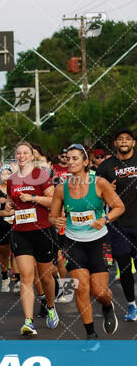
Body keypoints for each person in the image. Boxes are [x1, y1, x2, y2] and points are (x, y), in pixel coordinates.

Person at [50, 144, 125, 341]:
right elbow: (52, 216)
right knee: (81, 288)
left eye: (75, 158)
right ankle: (91, 334)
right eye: (68, 158)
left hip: (98, 242)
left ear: (86, 162)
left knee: (99, 292)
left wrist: (105, 219)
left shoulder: (99, 183)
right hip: (73, 243)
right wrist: (55, 220)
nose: (70, 162)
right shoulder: (61, 188)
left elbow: (119, 207)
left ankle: (108, 306)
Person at [6, 141, 58, 336]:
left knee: (45, 276)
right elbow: (11, 201)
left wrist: (33, 198)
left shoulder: (40, 175)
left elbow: (53, 200)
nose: (21, 156)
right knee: (27, 276)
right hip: (20, 231)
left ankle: (51, 306)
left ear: (31, 156)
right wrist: (10, 206)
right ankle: (28, 321)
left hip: (42, 231)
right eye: (18, 153)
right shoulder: (12, 179)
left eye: (25, 153)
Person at [96, 129, 137, 321]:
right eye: (120, 139)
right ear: (115, 144)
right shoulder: (106, 166)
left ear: (133, 143)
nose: (124, 142)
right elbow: (95, 195)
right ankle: (131, 306)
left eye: (128, 139)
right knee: (125, 267)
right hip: (118, 224)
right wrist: (105, 190)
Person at [0, 165, 15, 293]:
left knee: (17, 252)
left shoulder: (17, 189)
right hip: (0, 225)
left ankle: (18, 278)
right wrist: (2, 213)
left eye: (9, 173)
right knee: (4, 252)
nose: (6, 176)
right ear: (0, 176)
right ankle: (4, 275)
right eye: (3, 173)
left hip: (15, 224)